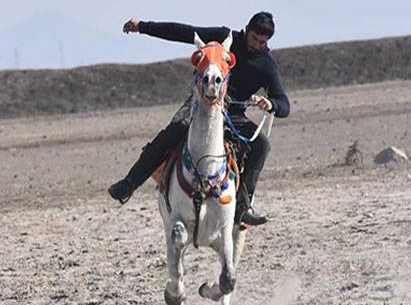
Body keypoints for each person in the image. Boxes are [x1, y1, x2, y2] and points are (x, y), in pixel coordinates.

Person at [108, 12, 290, 226]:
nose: (257, 45)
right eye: (254, 39)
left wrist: (272, 104)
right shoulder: (223, 39)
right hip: (200, 105)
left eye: (262, 42)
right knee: (173, 132)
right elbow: (184, 32)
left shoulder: (266, 64)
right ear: (247, 30)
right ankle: (129, 184)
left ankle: (242, 206)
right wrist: (143, 26)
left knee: (262, 144)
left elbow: (284, 103)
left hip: (232, 115)